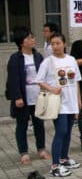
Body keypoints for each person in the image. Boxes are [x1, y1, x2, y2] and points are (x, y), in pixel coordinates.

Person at [34, 33, 81, 177]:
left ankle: (64, 158)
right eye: (52, 44)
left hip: (71, 101)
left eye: (57, 43)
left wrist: (78, 100)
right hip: (58, 102)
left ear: (64, 44)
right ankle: (55, 165)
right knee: (61, 131)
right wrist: (52, 89)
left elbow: (77, 80)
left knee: (67, 132)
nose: (55, 46)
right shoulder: (48, 61)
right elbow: (39, 80)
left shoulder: (71, 59)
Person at [7, 27, 49, 165]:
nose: (32, 40)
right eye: (29, 38)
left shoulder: (38, 56)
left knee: (39, 124)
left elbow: (44, 76)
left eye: (33, 37)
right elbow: (13, 80)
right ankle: (24, 152)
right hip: (23, 99)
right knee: (22, 125)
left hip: (38, 97)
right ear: (21, 42)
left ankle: (41, 149)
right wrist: (17, 97)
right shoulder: (15, 58)